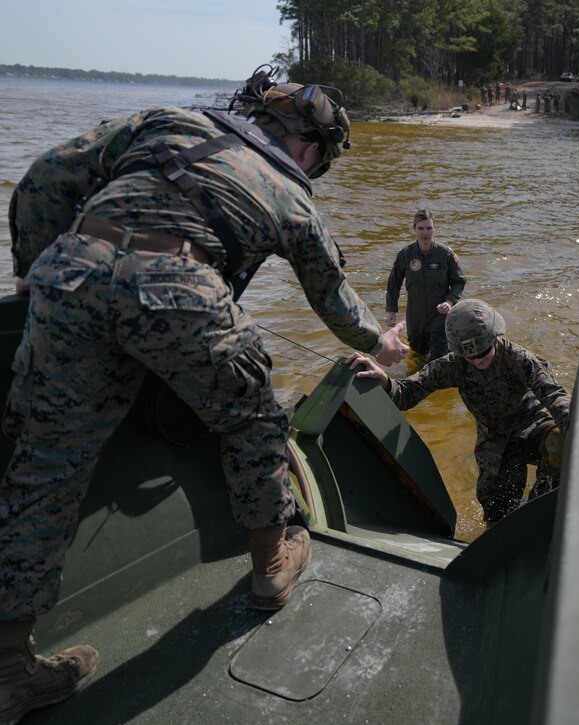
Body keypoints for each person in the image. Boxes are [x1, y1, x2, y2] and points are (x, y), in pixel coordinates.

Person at [0, 65, 408, 721]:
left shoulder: (165, 121)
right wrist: (381, 346)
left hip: (68, 273)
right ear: (310, 148)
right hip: (179, 289)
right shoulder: (293, 195)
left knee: (44, 464)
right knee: (252, 420)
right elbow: (336, 303)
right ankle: (273, 565)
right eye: (321, 158)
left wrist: (34, 273)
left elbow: (45, 180)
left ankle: (8, 669)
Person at [348, 299, 570, 525]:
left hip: (532, 427)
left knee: (560, 443)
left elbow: (555, 396)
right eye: (470, 356)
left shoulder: (520, 359)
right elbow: (407, 393)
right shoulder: (452, 365)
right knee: (498, 517)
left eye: (484, 352)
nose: (479, 360)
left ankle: (541, 513)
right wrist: (385, 380)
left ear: (494, 337)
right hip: (495, 441)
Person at [385, 209, 466, 362]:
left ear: (435, 228)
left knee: (439, 359)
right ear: (414, 229)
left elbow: (459, 281)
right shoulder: (405, 254)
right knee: (417, 356)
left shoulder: (445, 254)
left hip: (440, 315)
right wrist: (391, 310)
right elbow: (393, 284)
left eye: (429, 228)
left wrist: (449, 302)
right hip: (415, 316)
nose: (425, 233)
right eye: (420, 228)